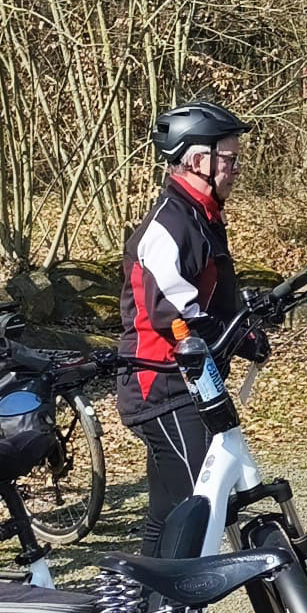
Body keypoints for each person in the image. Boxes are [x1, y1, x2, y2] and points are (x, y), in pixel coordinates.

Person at [117, 100, 264, 555]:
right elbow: (176, 309)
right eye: (229, 158)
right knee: (194, 508)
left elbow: (212, 294)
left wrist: (247, 325)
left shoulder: (202, 215)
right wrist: (237, 335)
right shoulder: (170, 224)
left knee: (167, 512)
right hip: (162, 385)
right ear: (198, 160)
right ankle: (176, 611)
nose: (235, 168)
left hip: (189, 380)